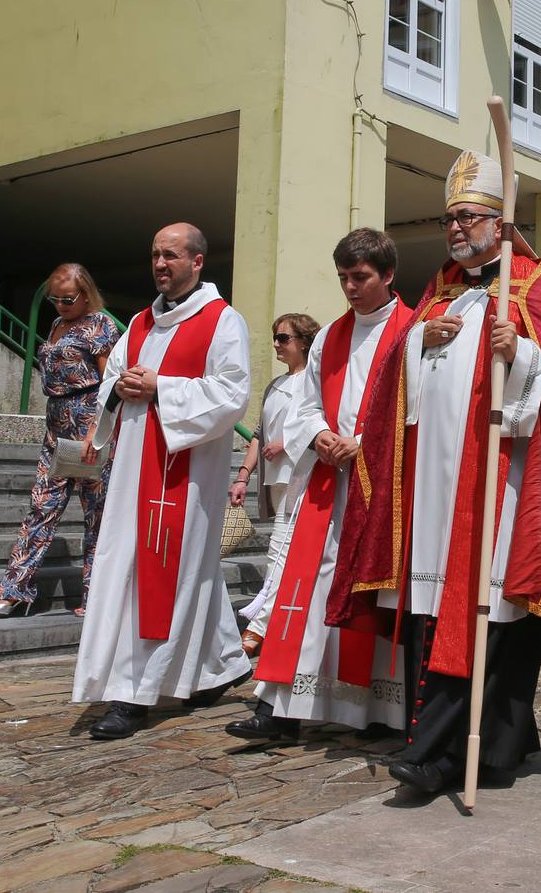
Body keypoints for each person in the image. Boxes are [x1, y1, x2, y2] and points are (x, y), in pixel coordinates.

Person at [327, 151, 541, 795]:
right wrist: (416, 343)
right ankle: (500, 742)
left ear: (500, 221)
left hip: (500, 488)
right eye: (449, 219)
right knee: (433, 611)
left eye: (468, 217)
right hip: (432, 491)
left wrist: (521, 356)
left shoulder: (536, 289)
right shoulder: (439, 294)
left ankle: (435, 753)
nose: (456, 229)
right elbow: (393, 391)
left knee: (489, 613)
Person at [226, 229, 413, 741]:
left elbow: (420, 414)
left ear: (388, 275)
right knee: (305, 592)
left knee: (374, 596)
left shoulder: (413, 331)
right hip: (329, 485)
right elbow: (304, 404)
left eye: (361, 277)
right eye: (344, 278)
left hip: (384, 491)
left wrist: (366, 445)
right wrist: (322, 434)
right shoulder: (330, 336)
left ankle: (378, 711)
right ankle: (281, 712)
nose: (351, 288)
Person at [72, 222, 252, 741]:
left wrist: (161, 388)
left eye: (171, 255)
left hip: (184, 476)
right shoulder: (140, 321)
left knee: (159, 574)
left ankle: (133, 694)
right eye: (155, 255)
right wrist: (115, 397)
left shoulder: (223, 321)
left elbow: (231, 394)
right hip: (134, 466)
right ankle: (223, 662)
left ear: (197, 261)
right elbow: (114, 377)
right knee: (179, 570)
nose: (160, 264)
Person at [0, 264, 120, 618]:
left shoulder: (100, 325)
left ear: (86, 294)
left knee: (96, 513)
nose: (60, 305)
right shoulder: (57, 325)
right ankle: (16, 590)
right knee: (41, 506)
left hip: (89, 416)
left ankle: (96, 594)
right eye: (54, 299)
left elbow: (111, 380)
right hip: (56, 422)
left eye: (67, 298)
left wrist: (97, 428)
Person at [230, 312, 321, 656]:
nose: (277, 345)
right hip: (276, 480)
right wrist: (243, 475)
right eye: (276, 338)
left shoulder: (314, 380)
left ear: (304, 342)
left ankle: (258, 627)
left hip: (302, 477)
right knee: (280, 552)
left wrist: (287, 442)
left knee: (279, 553)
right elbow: (257, 434)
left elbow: (319, 421)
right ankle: (277, 623)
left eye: (284, 338)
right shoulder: (275, 385)